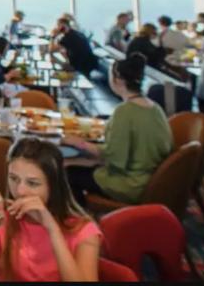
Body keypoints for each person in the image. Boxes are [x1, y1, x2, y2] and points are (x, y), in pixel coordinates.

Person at [0, 138, 101, 282]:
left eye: (32, 183)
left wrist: (53, 230)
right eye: (13, 178)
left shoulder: (84, 230)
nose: (20, 191)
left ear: (54, 187)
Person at [65, 53, 172, 206]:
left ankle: (81, 223)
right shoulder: (156, 108)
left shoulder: (124, 112)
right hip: (154, 181)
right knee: (80, 164)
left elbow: (113, 156)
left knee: (68, 174)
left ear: (118, 79)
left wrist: (79, 143)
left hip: (130, 185)